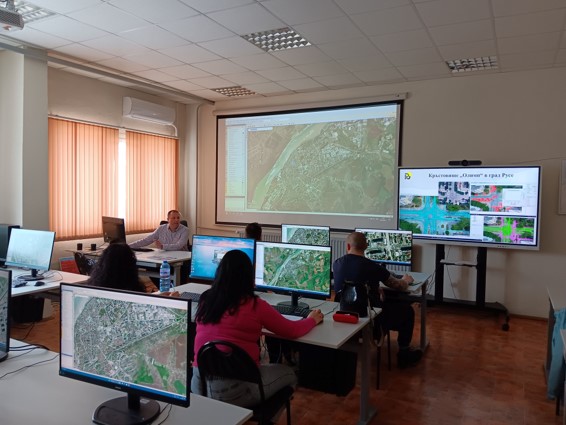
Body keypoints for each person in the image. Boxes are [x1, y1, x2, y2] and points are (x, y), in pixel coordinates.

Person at [191, 249, 324, 409]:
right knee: (290, 374)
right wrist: (312, 320)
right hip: (237, 390)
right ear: (248, 277)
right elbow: (292, 331)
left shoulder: (205, 300)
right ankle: (265, 417)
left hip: (200, 387)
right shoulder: (255, 305)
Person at [333, 231, 423, 368]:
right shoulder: (373, 267)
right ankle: (404, 353)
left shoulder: (337, 264)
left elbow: (353, 282)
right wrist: (406, 280)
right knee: (408, 311)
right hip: (371, 319)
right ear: (366, 246)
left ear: (348, 246)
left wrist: (374, 287)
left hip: (344, 315)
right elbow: (398, 286)